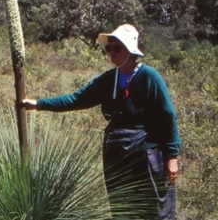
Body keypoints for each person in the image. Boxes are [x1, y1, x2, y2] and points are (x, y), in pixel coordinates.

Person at [22, 24, 180, 219]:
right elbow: (77, 99)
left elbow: (168, 115)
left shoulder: (149, 77)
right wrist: (38, 104)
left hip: (146, 154)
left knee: (155, 210)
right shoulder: (108, 79)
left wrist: (171, 156)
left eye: (117, 48)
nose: (111, 53)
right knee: (122, 208)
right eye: (109, 48)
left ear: (130, 50)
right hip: (116, 153)